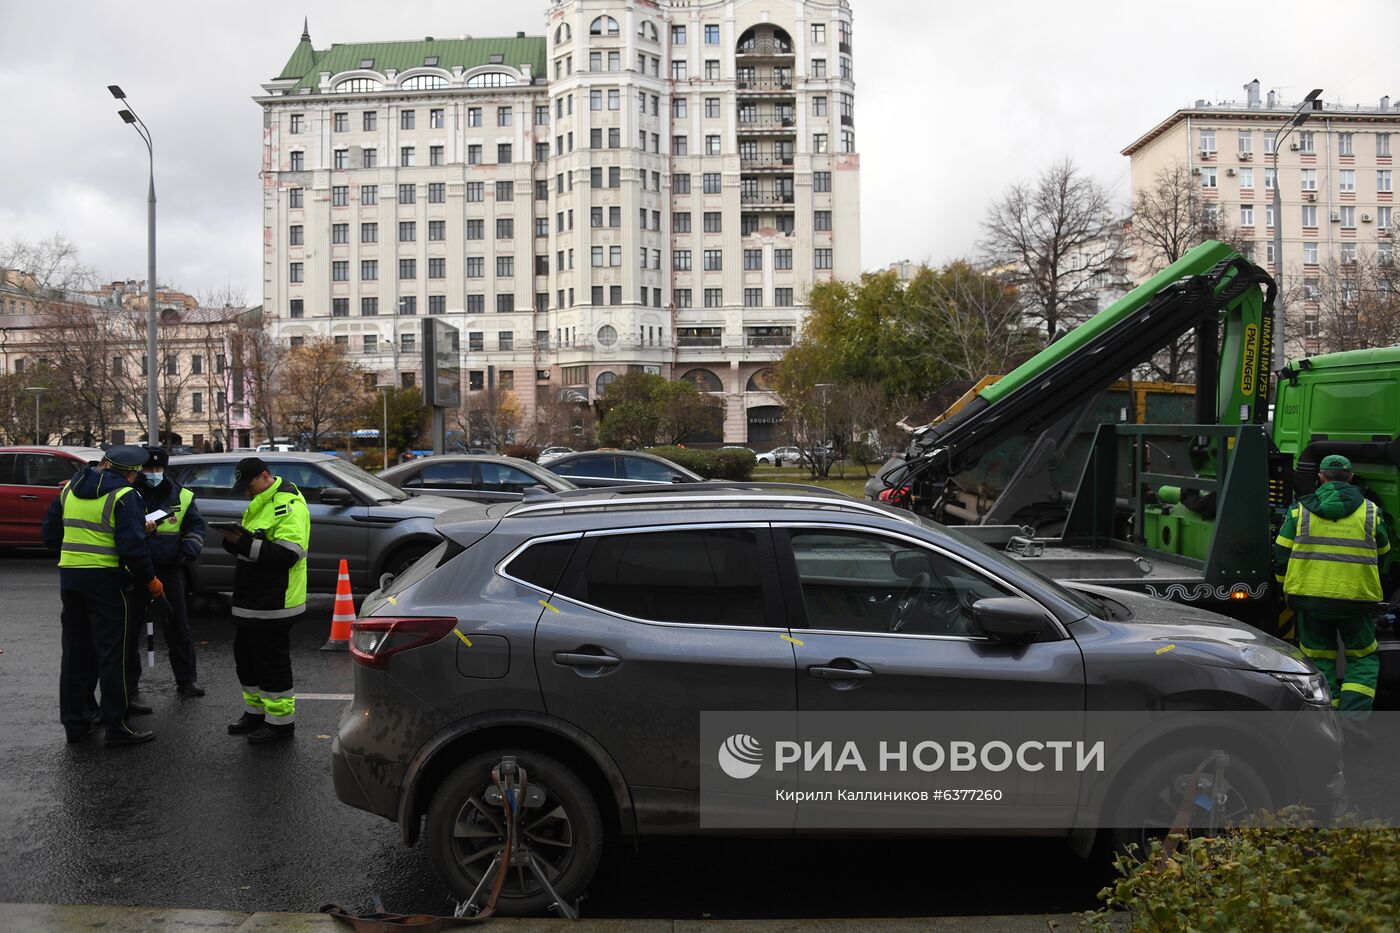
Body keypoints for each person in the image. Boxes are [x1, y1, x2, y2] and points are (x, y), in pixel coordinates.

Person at [42, 445, 163, 746]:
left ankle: (76, 724)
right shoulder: (125, 495)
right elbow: (131, 549)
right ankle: (117, 726)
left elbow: (51, 535)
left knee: (75, 654)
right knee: (113, 655)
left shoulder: (69, 489)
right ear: (131, 473)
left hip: (71, 579)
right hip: (107, 583)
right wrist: (149, 579)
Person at [1274, 454, 1391, 719]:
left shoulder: (1300, 510)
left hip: (1310, 598)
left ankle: (1328, 718)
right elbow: (1383, 553)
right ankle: (1353, 719)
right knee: (1362, 658)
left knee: (1319, 658)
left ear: (1321, 477)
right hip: (1356, 599)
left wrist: (1286, 590)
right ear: (1350, 477)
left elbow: (1281, 555)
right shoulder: (1371, 511)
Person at [216, 457, 310, 744]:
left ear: (266, 476)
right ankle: (255, 714)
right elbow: (254, 546)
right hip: (250, 598)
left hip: (275, 601)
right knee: (246, 659)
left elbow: (286, 555)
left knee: (271, 663)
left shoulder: (287, 505)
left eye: (250, 484)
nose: (246, 491)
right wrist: (232, 540)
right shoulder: (261, 501)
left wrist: (241, 542)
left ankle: (280, 725)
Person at [128, 447, 207, 698]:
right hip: (136, 568)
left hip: (170, 567)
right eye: (149, 469)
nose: (154, 473)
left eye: (158, 469)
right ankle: (129, 686)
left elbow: (196, 526)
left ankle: (186, 680)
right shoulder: (129, 494)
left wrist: (187, 549)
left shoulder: (181, 495)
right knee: (130, 630)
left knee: (177, 626)